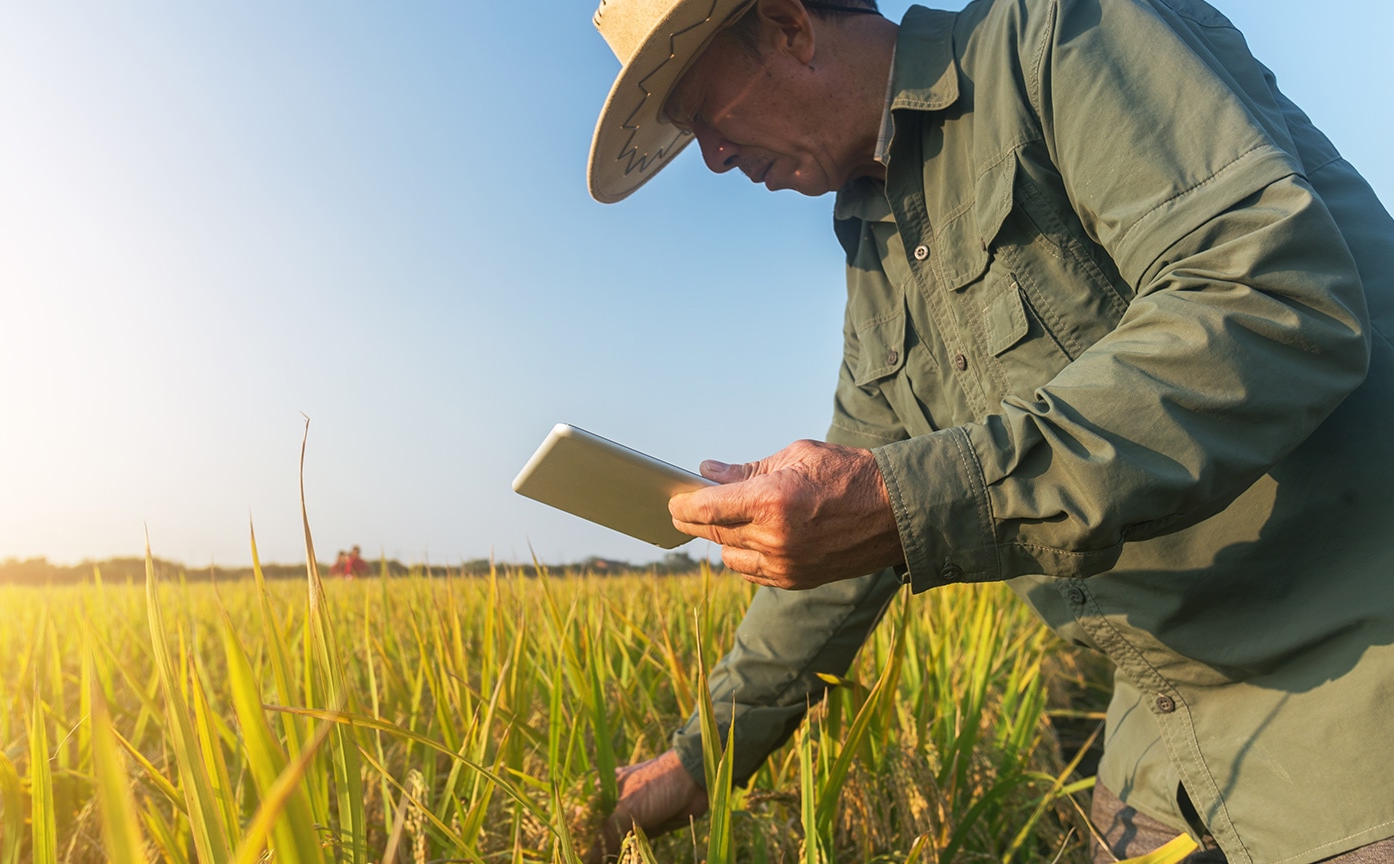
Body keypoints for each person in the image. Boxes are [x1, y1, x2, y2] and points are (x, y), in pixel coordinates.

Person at [583, 0, 1394, 861]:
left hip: (1351, 687)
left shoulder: (1057, 34)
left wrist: (911, 503)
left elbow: (1271, 301)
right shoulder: (876, 244)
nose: (713, 159)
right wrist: (702, 760)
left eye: (707, 114)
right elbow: (845, 540)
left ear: (789, 25)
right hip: (1164, 724)